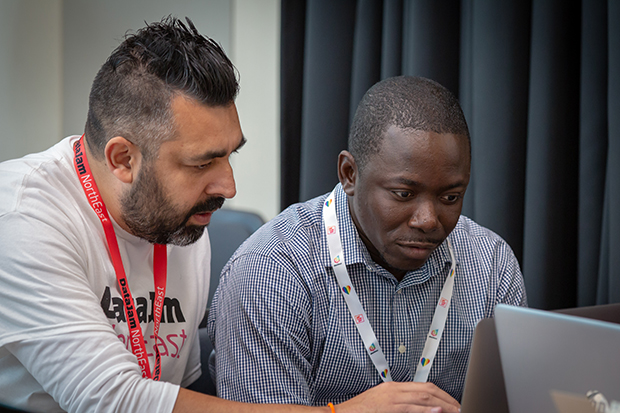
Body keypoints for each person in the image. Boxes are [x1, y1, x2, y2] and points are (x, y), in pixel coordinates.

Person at [0, 17, 464, 413]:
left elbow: (179, 391)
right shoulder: (21, 218)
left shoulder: (180, 222)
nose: (228, 187)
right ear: (123, 159)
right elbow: (110, 399)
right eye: (202, 163)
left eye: (230, 157)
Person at [208, 76, 527, 410]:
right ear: (349, 174)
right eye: (404, 194)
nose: (428, 220)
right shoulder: (271, 271)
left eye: (450, 197)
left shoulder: (491, 264)